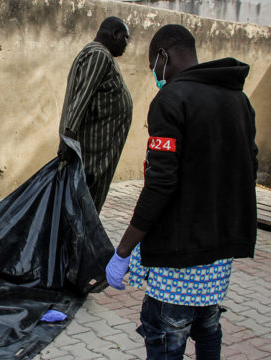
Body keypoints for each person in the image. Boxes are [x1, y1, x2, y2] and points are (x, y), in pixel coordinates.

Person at [105, 24, 257, 359]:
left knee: (166, 333)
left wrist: (124, 250)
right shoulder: (239, 100)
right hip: (218, 254)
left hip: (178, 257)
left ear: (163, 56)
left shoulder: (171, 99)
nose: (155, 76)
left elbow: (160, 183)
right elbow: (249, 167)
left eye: (152, 68)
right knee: (207, 326)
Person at [58, 16, 133, 213]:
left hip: (98, 154)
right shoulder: (98, 55)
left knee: (85, 209)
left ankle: (80, 242)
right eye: (126, 38)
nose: (127, 45)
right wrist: (68, 137)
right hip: (92, 156)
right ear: (116, 34)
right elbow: (81, 97)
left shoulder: (98, 55)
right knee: (82, 208)